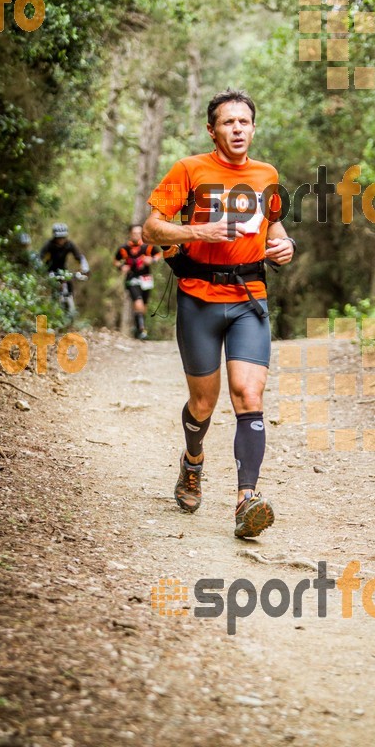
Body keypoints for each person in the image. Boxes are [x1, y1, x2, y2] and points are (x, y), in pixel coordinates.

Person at [142, 88, 296, 539]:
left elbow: (274, 228)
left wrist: (285, 246)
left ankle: (246, 499)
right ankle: (193, 462)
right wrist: (199, 231)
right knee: (204, 403)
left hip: (249, 299)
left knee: (249, 397)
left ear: (253, 127)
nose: (237, 129)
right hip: (198, 298)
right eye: (227, 123)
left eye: (243, 122)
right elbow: (152, 227)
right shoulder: (189, 169)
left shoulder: (267, 174)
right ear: (212, 130)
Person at [114, 224, 162, 340]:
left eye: (139, 233)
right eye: (134, 233)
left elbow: (158, 254)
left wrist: (152, 260)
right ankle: (141, 329)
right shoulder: (124, 248)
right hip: (132, 278)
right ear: (130, 234)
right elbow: (116, 260)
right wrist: (121, 267)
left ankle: (138, 327)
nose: (136, 235)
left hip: (146, 278)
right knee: (138, 302)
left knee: (143, 305)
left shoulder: (148, 247)